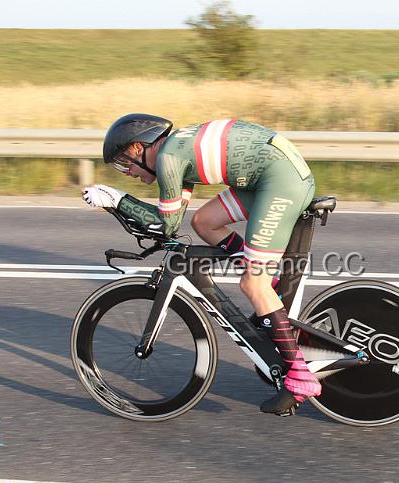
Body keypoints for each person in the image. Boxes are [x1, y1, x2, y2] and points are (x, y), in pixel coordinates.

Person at [82, 114, 321, 415]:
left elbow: (163, 225)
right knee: (203, 222)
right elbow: (173, 223)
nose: (126, 171)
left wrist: (118, 200)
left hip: (280, 181)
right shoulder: (176, 154)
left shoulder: (169, 158)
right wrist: (122, 202)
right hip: (269, 176)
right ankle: (269, 291)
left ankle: (300, 377)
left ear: (137, 148)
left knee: (252, 283)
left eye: (123, 162)